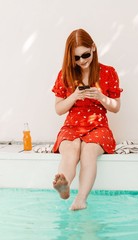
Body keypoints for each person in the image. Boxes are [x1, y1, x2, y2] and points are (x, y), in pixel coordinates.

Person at [51, 29, 123, 211]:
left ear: (93, 48)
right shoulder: (65, 74)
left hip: (98, 126)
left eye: (85, 55)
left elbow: (116, 107)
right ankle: (64, 185)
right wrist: (74, 96)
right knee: (71, 149)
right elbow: (59, 109)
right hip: (72, 125)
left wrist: (100, 97)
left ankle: (81, 199)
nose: (82, 61)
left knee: (89, 151)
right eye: (76, 58)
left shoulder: (108, 72)